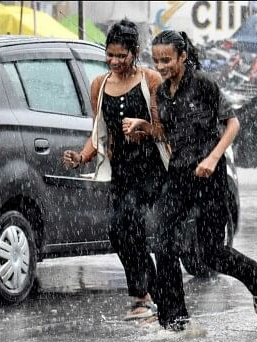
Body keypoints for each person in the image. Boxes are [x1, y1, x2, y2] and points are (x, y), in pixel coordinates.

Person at [128, 30, 257, 332]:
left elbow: (232, 123)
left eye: (167, 59)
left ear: (182, 56)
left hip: (210, 177)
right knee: (163, 240)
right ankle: (175, 319)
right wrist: (145, 126)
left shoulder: (204, 84)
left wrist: (212, 158)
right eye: (157, 60)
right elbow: (167, 133)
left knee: (210, 251)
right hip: (180, 175)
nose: (162, 65)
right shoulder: (162, 92)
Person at [63, 19, 168, 321]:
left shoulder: (151, 81)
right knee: (119, 231)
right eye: (110, 55)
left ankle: (143, 296)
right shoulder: (99, 85)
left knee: (133, 221)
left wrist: (144, 127)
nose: (114, 61)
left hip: (151, 169)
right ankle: (150, 293)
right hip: (121, 170)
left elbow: (165, 130)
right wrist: (80, 158)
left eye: (121, 55)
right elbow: (98, 134)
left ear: (135, 52)